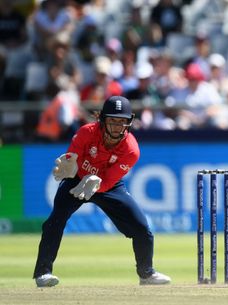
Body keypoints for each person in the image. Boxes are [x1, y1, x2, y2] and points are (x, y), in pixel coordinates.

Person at [33, 96, 171, 287]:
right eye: (113, 121)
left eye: (122, 122)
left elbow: (109, 181)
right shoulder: (86, 132)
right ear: (103, 119)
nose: (117, 126)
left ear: (129, 122)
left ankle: (146, 274)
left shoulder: (131, 149)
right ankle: (43, 274)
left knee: (141, 227)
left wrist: (97, 184)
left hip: (108, 185)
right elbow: (71, 157)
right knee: (54, 222)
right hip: (77, 179)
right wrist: (70, 166)